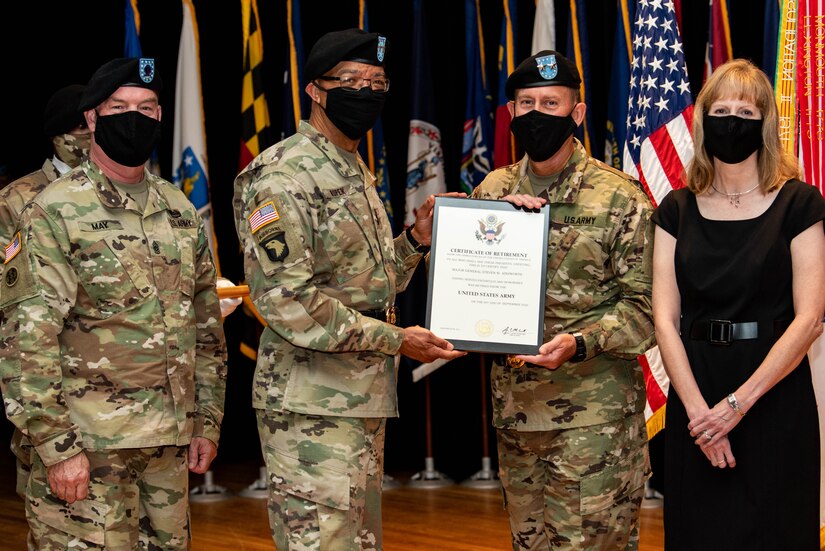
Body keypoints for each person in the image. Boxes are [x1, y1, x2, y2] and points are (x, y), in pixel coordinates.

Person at [233, 28, 465, 550]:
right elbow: (286, 301)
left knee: (356, 543)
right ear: (316, 90)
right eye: (352, 81)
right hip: (311, 402)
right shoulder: (282, 174)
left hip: (358, 398)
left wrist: (416, 241)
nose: (367, 92)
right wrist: (396, 340)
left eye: (378, 82)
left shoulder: (352, 166)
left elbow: (369, 282)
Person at [0, 57, 228, 550]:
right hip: (88, 445)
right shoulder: (53, 209)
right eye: (119, 106)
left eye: (146, 107)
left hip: (168, 446)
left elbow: (206, 327)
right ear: (91, 119)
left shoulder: (179, 209)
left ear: (161, 116)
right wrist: (57, 447)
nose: (135, 116)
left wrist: (205, 421)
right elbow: (26, 340)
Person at [470, 50, 655, 550]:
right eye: (525, 102)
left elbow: (648, 311)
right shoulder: (492, 190)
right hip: (516, 416)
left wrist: (579, 341)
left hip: (595, 419)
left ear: (577, 113)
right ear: (509, 113)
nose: (535, 114)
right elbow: (462, 281)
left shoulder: (619, 197)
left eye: (550, 102)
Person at [651, 58, 825, 550]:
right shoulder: (676, 209)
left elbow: (810, 318)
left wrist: (736, 406)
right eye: (721, 109)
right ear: (703, 121)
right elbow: (665, 320)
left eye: (746, 112)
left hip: (773, 395)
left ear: (765, 124)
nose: (732, 121)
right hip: (695, 400)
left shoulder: (800, 203)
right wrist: (701, 416)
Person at [0, 83, 90, 501]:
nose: (89, 135)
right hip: (50, 376)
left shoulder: (134, 189)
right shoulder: (18, 199)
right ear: (57, 135)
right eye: (79, 127)